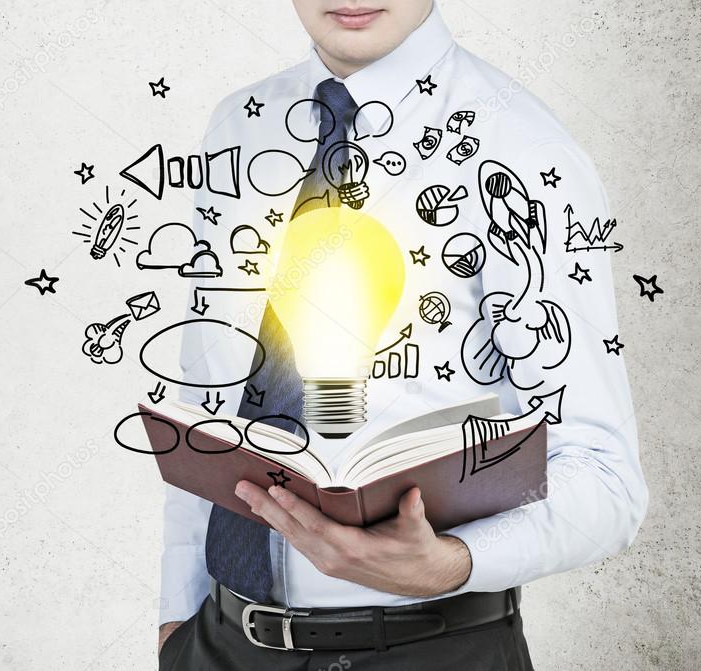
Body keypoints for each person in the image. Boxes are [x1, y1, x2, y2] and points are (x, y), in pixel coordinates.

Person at [157, 2, 648, 668]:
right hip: (224, 642)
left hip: (431, 646)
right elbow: (208, 402)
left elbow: (607, 477)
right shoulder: (236, 128)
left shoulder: (523, 150)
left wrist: (453, 561)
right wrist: (177, 618)